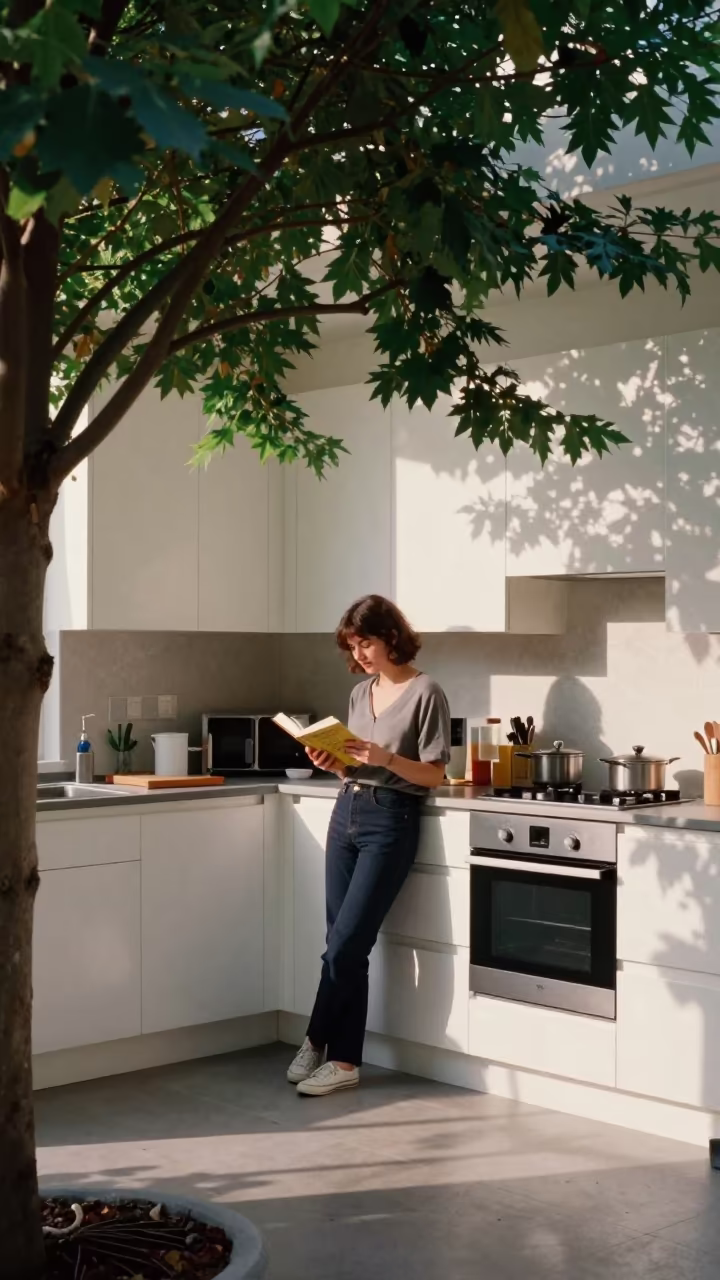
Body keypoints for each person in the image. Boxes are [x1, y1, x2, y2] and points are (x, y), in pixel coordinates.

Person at [287, 594, 451, 1097]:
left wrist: (384, 757)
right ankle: (336, 1055)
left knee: (347, 943)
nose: (359, 654)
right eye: (353, 647)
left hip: (391, 819)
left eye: (367, 643)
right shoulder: (361, 694)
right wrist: (334, 763)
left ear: (392, 637)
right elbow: (355, 763)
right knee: (339, 942)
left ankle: (327, 1045)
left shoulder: (427, 693)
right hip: (347, 811)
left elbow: (435, 773)